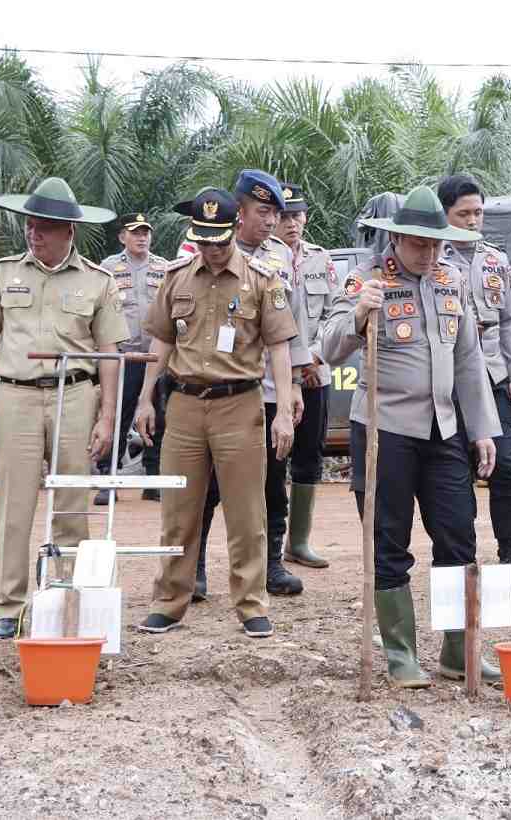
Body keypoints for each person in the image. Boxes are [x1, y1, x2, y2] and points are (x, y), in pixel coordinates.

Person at [320, 185, 502, 688]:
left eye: (436, 244)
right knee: (387, 543)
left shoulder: (453, 279)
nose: (429, 253)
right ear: (397, 238)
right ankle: (401, 655)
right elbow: (329, 347)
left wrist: (482, 429)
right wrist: (359, 315)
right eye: (419, 244)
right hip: (385, 431)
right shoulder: (367, 278)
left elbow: (468, 359)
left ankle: (456, 652)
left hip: (444, 429)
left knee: (458, 537)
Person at [134, 187, 298, 639]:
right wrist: (146, 398)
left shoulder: (263, 280)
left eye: (219, 241)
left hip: (239, 405)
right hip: (184, 405)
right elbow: (162, 342)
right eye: (203, 241)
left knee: (247, 512)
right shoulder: (178, 276)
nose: (211, 250)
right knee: (178, 511)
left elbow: (280, 350)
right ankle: (169, 600)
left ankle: (251, 604)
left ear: (235, 229)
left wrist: (284, 410)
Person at [0, 177, 129, 639]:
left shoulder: (97, 282)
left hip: (76, 396)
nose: (33, 234)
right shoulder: (3, 273)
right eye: (30, 226)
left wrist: (107, 416)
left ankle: (62, 598)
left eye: (43, 227)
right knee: (14, 506)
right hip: (16, 395)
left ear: (69, 232)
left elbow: (110, 353)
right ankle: (11, 605)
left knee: (71, 504)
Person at [195, 170, 310, 600]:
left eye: (275, 213)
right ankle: (196, 568)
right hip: (217, 388)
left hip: (266, 388)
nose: (271, 221)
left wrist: (293, 386)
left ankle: (271, 565)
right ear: (238, 212)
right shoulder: (204, 248)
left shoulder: (280, 256)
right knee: (208, 485)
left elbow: (291, 325)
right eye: (263, 211)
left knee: (271, 481)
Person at [437, 174, 511, 597]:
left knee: (504, 470)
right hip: (450, 384)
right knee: (455, 474)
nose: (472, 220)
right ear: (446, 214)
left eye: (478, 212)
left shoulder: (496, 260)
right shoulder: (433, 258)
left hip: (495, 376)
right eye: (463, 213)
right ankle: (463, 564)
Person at [273, 182, 337, 570]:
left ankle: (299, 541)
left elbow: (336, 311)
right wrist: (295, 365)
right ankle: (271, 543)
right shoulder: (266, 259)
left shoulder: (321, 259)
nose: (291, 223)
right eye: (283, 215)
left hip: (317, 372)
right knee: (273, 457)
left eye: (297, 215)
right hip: (276, 376)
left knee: (309, 455)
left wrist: (313, 357)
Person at [94, 212, 169, 505]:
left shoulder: (164, 268)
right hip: (124, 357)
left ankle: (154, 478)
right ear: (122, 237)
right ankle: (107, 478)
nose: (141, 237)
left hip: (157, 357)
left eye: (145, 232)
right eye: (135, 232)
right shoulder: (108, 269)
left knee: (159, 418)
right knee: (116, 417)